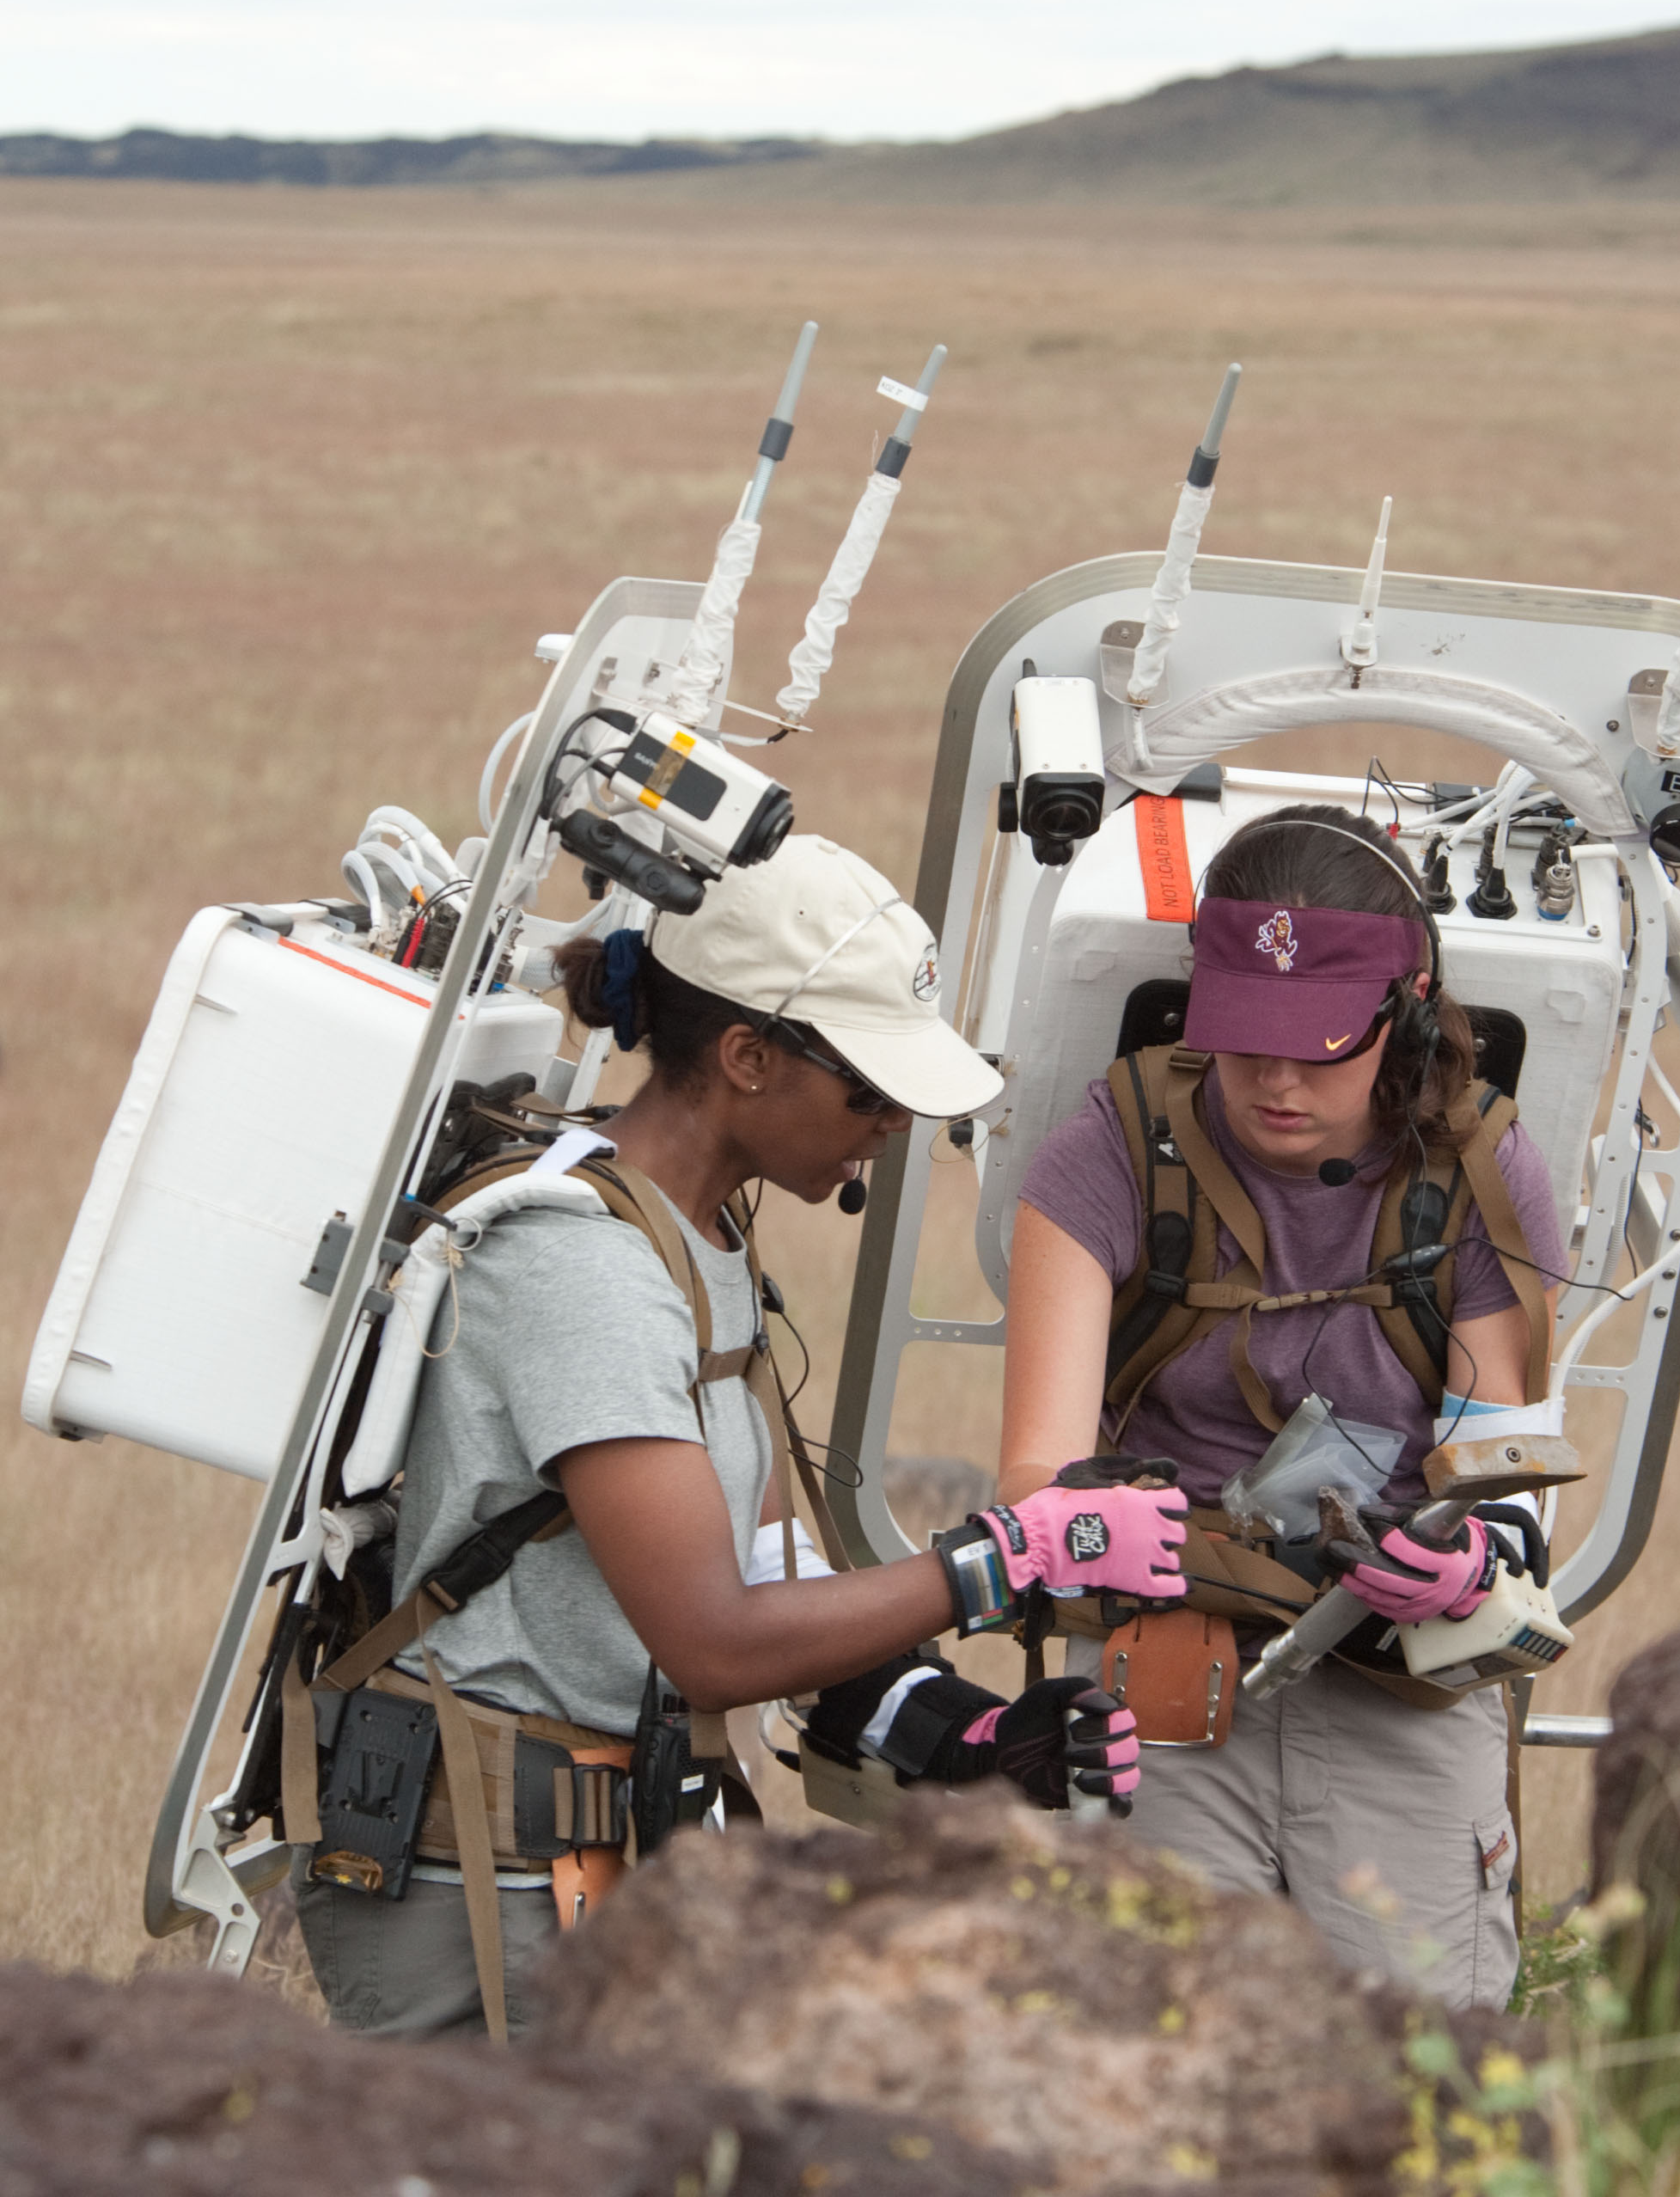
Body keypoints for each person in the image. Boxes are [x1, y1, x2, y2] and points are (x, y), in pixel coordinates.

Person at [291, 835, 1190, 2041]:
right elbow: (714, 1642)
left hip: (605, 1868)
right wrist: (1007, 1558)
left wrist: (958, 1736)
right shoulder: (583, 1267)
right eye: (870, 1088)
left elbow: (771, 1575)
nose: (889, 1125)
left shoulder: (696, 1241)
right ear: (748, 1058)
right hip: (485, 1894)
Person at [996, 804, 1567, 2005]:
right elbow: (1036, 1473)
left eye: (1321, 1046)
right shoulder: (1110, 1153)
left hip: (1400, 1673)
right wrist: (1098, 1527)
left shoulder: (1479, 1173)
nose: (1276, 1080)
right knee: (1161, 2056)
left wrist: (1467, 1561)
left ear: (1407, 1009)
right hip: (1170, 1657)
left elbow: (1498, 1462)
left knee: (1420, 2072)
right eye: (1247, 1038)